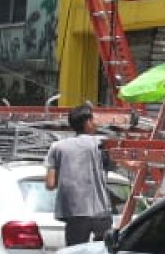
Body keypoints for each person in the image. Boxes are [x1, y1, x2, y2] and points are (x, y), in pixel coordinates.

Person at [44, 103, 114, 245]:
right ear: (88, 122)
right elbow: (118, 165)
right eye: (94, 120)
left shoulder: (57, 147)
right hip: (101, 212)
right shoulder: (103, 144)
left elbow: (50, 184)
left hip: (74, 212)